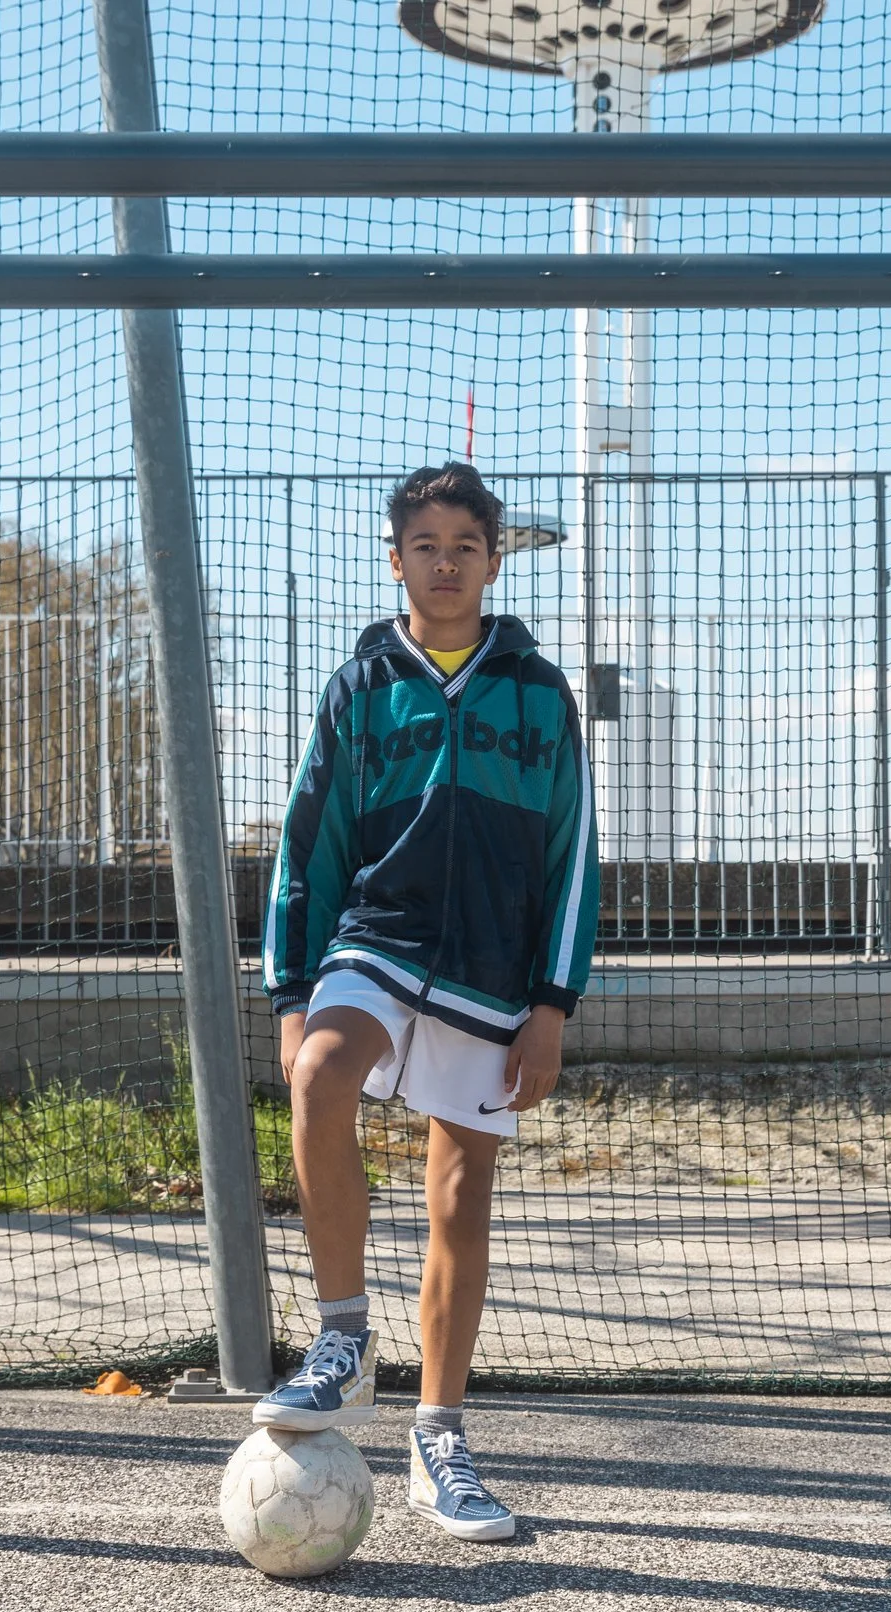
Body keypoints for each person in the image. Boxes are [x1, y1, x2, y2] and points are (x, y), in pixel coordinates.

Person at [254, 461, 599, 1543]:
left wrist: (551, 1001)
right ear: (394, 556)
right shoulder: (360, 687)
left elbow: (572, 855)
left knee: (460, 1193)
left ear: (495, 560)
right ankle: (342, 1338)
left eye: (464, 545)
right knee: (320, 1072)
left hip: (496, 968)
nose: (444, 564)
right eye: (424, 545)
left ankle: (438, 1439)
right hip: (379, 936)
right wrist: (289, 989)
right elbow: (309, 843)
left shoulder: (538, 693)